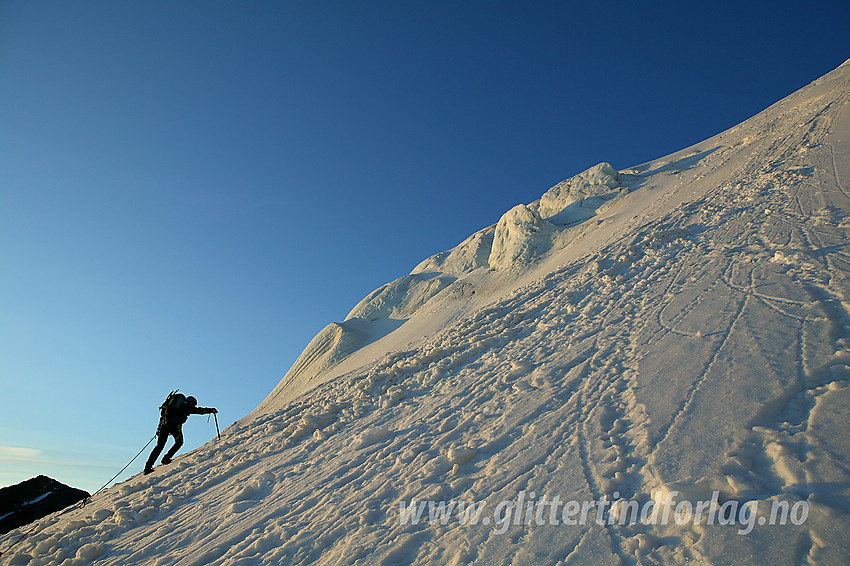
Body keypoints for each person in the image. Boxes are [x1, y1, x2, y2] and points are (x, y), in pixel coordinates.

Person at [144, 394, 217, 474]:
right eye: (193, 404)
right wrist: (211, 410)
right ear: (190, 402)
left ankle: (148, 467)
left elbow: (162, 417)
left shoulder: (171, 407)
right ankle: (167, 458)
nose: (193, 406)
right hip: (174, 425)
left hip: (164, 425)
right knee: (179, 442)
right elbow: (198, 410)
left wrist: (159, 430)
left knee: (159, 446)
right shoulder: (186, 406)